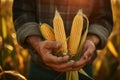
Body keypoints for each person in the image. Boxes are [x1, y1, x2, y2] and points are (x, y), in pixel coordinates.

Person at [12, 0, 113, 80]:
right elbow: (22, 12)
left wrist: (91, 40)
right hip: (41, 68)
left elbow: (103, 17)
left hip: (82, 66)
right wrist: (38, 45)